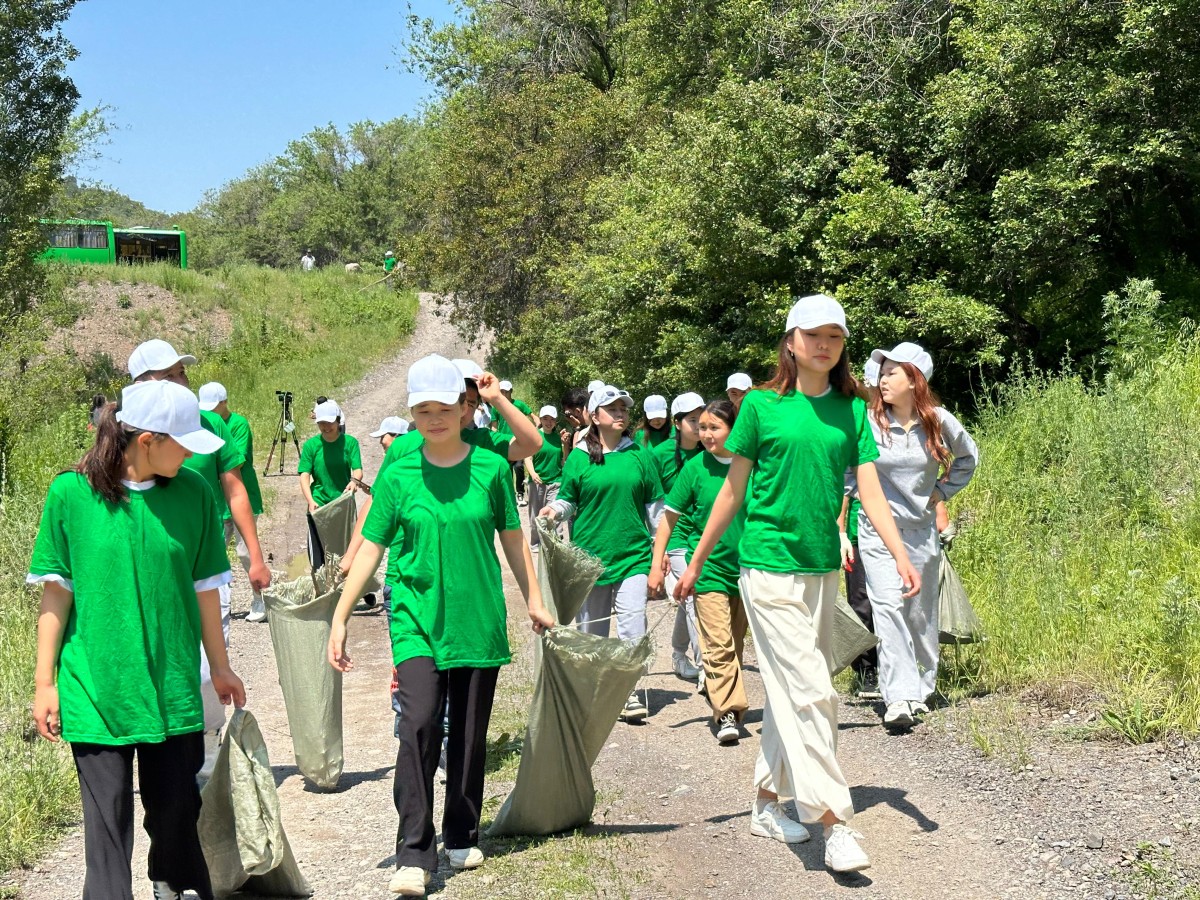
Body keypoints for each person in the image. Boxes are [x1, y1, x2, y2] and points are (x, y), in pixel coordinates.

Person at [676, 293, 921, 874]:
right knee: (815, 689)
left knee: (792, 692)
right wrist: (694, 561)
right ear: (791, 341)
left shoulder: (852, 410)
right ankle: (834, 822)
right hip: (765, 567)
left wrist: (898, 551)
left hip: (821, 570)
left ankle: (765, 802)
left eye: (834, 336)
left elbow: (867, 487)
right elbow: (733, 490)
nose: (824, 344)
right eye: (813, 334)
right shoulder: (761, 406)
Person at [327, 354, 553, 897]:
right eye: (422, 410)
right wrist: (339, 617)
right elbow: (372, 548)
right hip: (416, 619)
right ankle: (413, 851)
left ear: (463, 407)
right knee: (421, 724)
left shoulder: (492, 468)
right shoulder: (400, 472)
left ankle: (460, 832)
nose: (434, 419)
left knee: (470, 736)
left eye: (443, 408)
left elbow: (514, 543)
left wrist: (535, 601)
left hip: (477, 619)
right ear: (412, 413)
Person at [29, 380, 246, 900]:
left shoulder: (193, 493)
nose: (193, 452)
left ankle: (174, 880)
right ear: (146, 440)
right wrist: (45, 683)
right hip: (95, 687)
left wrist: (220, 667)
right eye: (184, 442)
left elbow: (205, 593)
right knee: (107, 825)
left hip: (171, 687)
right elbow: (57, 598)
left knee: (175, 811)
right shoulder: (71, 495)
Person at [128, 339, 269, 772]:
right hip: (149, 571)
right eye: (168, 376)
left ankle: (206, 755)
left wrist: (256, 557)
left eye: (182, 374)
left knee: (210, 665)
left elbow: (234, 486)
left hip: (203, 567)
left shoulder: (209, 426)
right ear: (139, 387)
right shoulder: (125, 437)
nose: (179, 382)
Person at [853, 342, 978, 729]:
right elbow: (847, 473)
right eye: (882, 372)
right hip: (876, 530)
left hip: (921, 532)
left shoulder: (937, 421)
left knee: (920, 613)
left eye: (891, 372)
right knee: (888, 606)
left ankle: (923, 689)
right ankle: (899, 697)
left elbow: (969, 458)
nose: (881, 379)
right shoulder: (868, 421)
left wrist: (940, 493)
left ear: (914, 379)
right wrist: (839, 525)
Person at [540, 384, 664, 723]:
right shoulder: (579, 458)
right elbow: (568, 499)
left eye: (624, 408)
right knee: (593, 632)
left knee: (632, 626)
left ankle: (629, 692)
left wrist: (660, 554)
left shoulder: (640, 455)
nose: (621, 413)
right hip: (590, 560)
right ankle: (594, 692)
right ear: (595, 416)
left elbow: (656, 511)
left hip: (633, 556)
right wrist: (553, 511)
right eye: (613, 409)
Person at [653, 399, 747, 744]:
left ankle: (723, 695)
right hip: (705, 569)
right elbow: (668, 520)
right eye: (701, 427)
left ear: (734, 429)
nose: (706, 434)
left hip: (748, 569)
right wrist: (657, 564)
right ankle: (728, 713)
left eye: (714, 427)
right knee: (717, 644)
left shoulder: (753, 464)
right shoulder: (694, 468)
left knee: (734, 645)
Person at [198, 382, 268, 623]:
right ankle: (214, 603)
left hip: (241, 496)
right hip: (217, 501)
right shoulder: (204, 424)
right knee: (214, 549)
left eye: (215, 407)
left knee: (245, 551)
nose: (211, 412)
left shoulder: (238, 424)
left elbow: (233, 462)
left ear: (225, 403)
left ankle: (260, 597)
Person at [649, 393, 705, 688]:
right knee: (695, 597)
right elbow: (651, 505)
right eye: (693, 420)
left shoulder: (711, 451)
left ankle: (678, 654)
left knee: (687, 598)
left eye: (702, 418)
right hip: (677, 539)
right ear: (677, 423)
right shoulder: (658, 456)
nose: (699, 426)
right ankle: (707, 669)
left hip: (706, 538)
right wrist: (657, 552)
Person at [838, 357, 882, 699]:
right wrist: (840, 532)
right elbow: (845, 484)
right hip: (857, 529)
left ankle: (901, 669)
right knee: (860, 601)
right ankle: (868, 670)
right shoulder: (850, 420)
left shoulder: (904, 424)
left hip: (899, 528)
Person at [299, 399, 363, 512]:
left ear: (338, 421)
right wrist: (310, 501)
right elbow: (304, 475)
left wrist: (354, 482)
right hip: (319, 501)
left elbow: (358, 470)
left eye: (330, 422)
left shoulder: (350, 443)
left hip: (344, 498)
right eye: (322, 423)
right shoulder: (310, 445)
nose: (326, 427)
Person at [524, 405, 563, 550]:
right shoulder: (535, 435)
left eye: (552, 419)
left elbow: (563, 459)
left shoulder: (559, 438)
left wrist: (565, 444)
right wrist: (533, 474)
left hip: (556, 480)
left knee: (554, 512)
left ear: (555, 422)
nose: (548, 422)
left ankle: (554, 541)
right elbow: (527, 457)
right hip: (537, 482)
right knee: (536, 514)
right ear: (540, 419)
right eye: (545, 418)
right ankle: (535, 542)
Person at [495, 380, 535, 506]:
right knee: (505, 469)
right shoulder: (496, 407)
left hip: (518, 441)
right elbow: (494, 427)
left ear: (511, 392)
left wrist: (537, 428)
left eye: (506, 392)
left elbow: (532, 416)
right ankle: (508, 495)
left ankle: (520, 493)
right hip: (502, 443)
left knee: (518, 467)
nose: (504, 394)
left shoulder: (519, 405)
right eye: (502, 392)